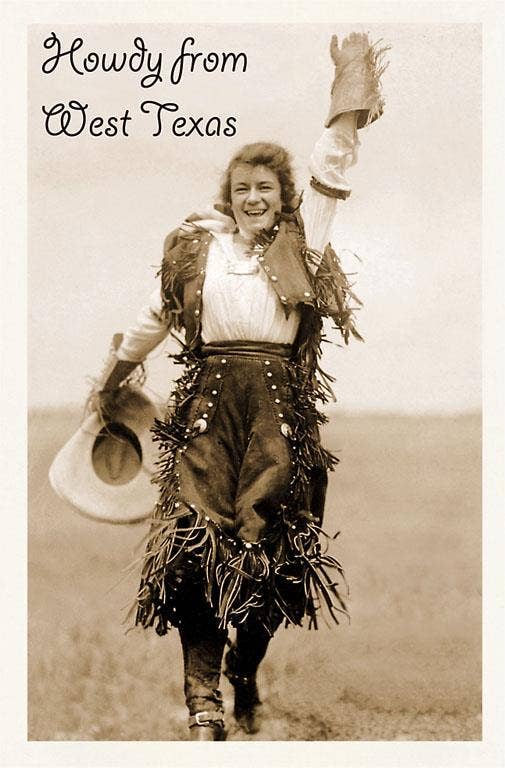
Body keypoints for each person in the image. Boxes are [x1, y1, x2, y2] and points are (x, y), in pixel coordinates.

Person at [94, 32, 388, 740]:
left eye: (265, 188)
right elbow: (153, 321)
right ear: (227, 198)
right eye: (241, 189)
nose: (253, 198)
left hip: (277, 420)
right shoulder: (197, 251)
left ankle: (245, 673)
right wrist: (110, 380)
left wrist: (348, 90)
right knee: (192, 551)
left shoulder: (304, 242)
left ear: (284, 197)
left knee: (270, 558)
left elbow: (331, 163)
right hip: (205, 415)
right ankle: (204, 705)